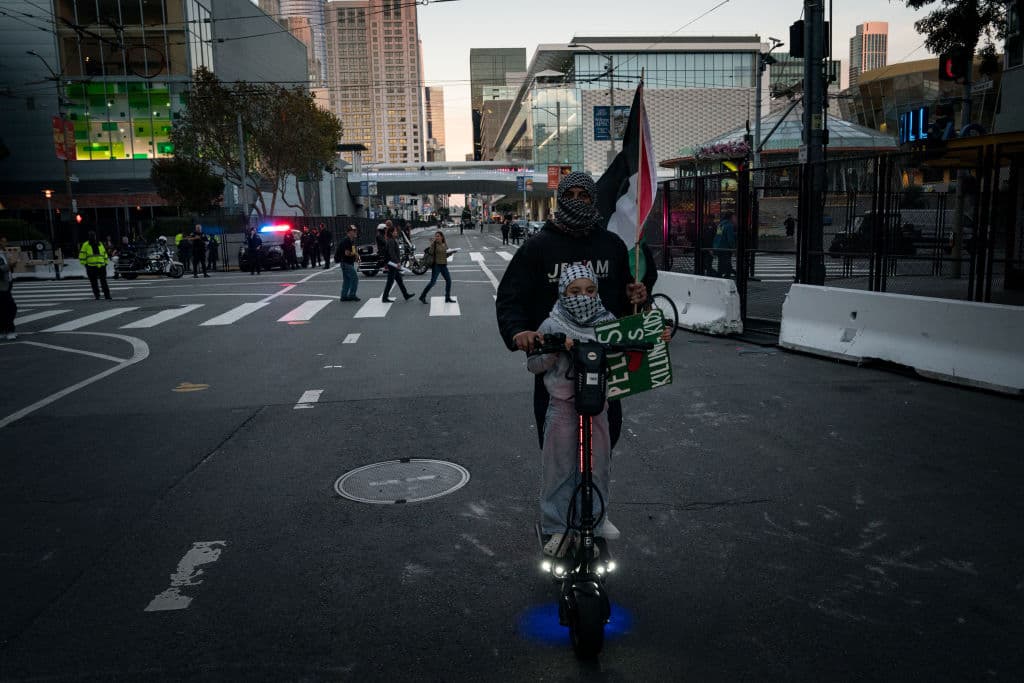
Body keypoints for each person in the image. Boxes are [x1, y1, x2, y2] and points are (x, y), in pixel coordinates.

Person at [496, 171, 649, 451]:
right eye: (570, 195)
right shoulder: (537, 247)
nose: (577, 200)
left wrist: (635, 297)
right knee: (556, 451)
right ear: (559, 199)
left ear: (593, 200)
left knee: (604, 447)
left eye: (584, 195)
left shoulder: (611, 245)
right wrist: (518, 332)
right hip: (555, 364)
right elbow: (510, 298)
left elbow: (625, 301)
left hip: (606, 365)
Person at [528, 264, 620, 552]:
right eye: (575, 291)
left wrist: (658, 337)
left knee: (597, 468)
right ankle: (557, 527)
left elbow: (631, 352)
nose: (584, 296)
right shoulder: (552, 324)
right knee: (559, 469)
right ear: (563, 292)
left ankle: (593, 522)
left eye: (590, 290)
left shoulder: (608, 321)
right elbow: (533, 365)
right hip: (563, 407)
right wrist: (554, 348)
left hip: (598, 407)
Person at [380, 224, 415, 303]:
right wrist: (397, 262)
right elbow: (392, 253)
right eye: (395, 231)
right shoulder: (391, 241)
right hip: (392, 264)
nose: (396, 232)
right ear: (392, 233)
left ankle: (405, 295)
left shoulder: (391, 239)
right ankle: (384, 298)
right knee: (390, 281)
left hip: (393, 263)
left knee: (399, 280)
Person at [418, 231, 454, 304]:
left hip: (443, 265)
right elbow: (430, 252)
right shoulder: (434, 244)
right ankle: (422, 296)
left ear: (442, 237)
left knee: (449, 281)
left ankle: (447, 297)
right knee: (432, 282)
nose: (436, 237)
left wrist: (451, 253)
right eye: (436, 236)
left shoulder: (444, 244)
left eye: (438, 236)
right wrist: (432, 244)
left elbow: (445, 255)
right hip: (436, 265)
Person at [79, 230, 111, 300]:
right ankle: (99, 295)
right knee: (96, 282)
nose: (93, 237)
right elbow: (82, 256)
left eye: (93, 236)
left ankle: (105, 295)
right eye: (92, 236)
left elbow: (104, 254)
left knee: (101, 282)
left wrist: (105, 263)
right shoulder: (88, 245)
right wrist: (85, 264)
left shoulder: (98, 244)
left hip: (99, 266)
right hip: (92, 266)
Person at [336, 224, 361, 301]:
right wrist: (355, 255)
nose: (355, 232)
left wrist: (356, 255)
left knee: (347, 280)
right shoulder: (346, 241)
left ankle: (344, 296)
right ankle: (352, 295)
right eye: (353, 231)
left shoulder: (351, 240)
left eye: (355, 231)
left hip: (347, 262)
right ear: (349, 232)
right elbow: (347, 253)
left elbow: (352, 251)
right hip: (346, 263)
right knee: (354, 278)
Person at [0, 237, 16, 340]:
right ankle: (9, 330)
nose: (5, 243)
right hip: (1, 285)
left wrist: (12, 265)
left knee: (5, 308)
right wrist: (9, 265)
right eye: (3, 241)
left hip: (7, 283)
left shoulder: (4, 253)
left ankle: (3, 330)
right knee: (10, 308)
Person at [713, 212, 736, 278]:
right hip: (726, 247)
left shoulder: (720, 225)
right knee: (727, 261)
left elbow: (718, 236)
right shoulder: (729, 226)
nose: (734, 219)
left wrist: (715, 246)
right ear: (731, 217)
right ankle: (726, 275)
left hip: (719, 247)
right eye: (734, 217)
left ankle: (720, 274)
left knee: (721, 262)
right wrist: (733, 248)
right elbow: (730, 239)